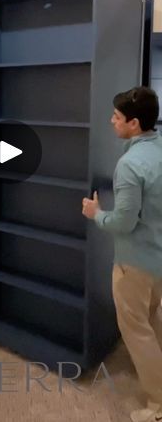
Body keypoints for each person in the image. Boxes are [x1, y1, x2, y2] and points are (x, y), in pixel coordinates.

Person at [82, 86, 162, 422]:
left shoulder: (129, 164)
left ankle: (158, 405)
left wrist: (95, 214)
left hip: (135, 262)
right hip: (157, 256)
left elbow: (124, 222)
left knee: (136, 330)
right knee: (153, 318)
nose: (111, 121)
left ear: (133, 123)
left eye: (116, 117)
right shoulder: (158, 149)